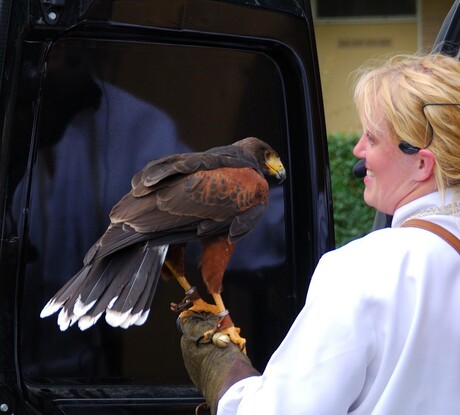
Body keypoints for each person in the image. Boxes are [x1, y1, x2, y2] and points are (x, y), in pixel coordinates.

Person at [178, 51, 460, 414]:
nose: (357, 149)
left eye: (372, 138)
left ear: (422, 163)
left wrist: (225, 376)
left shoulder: (364, 269)